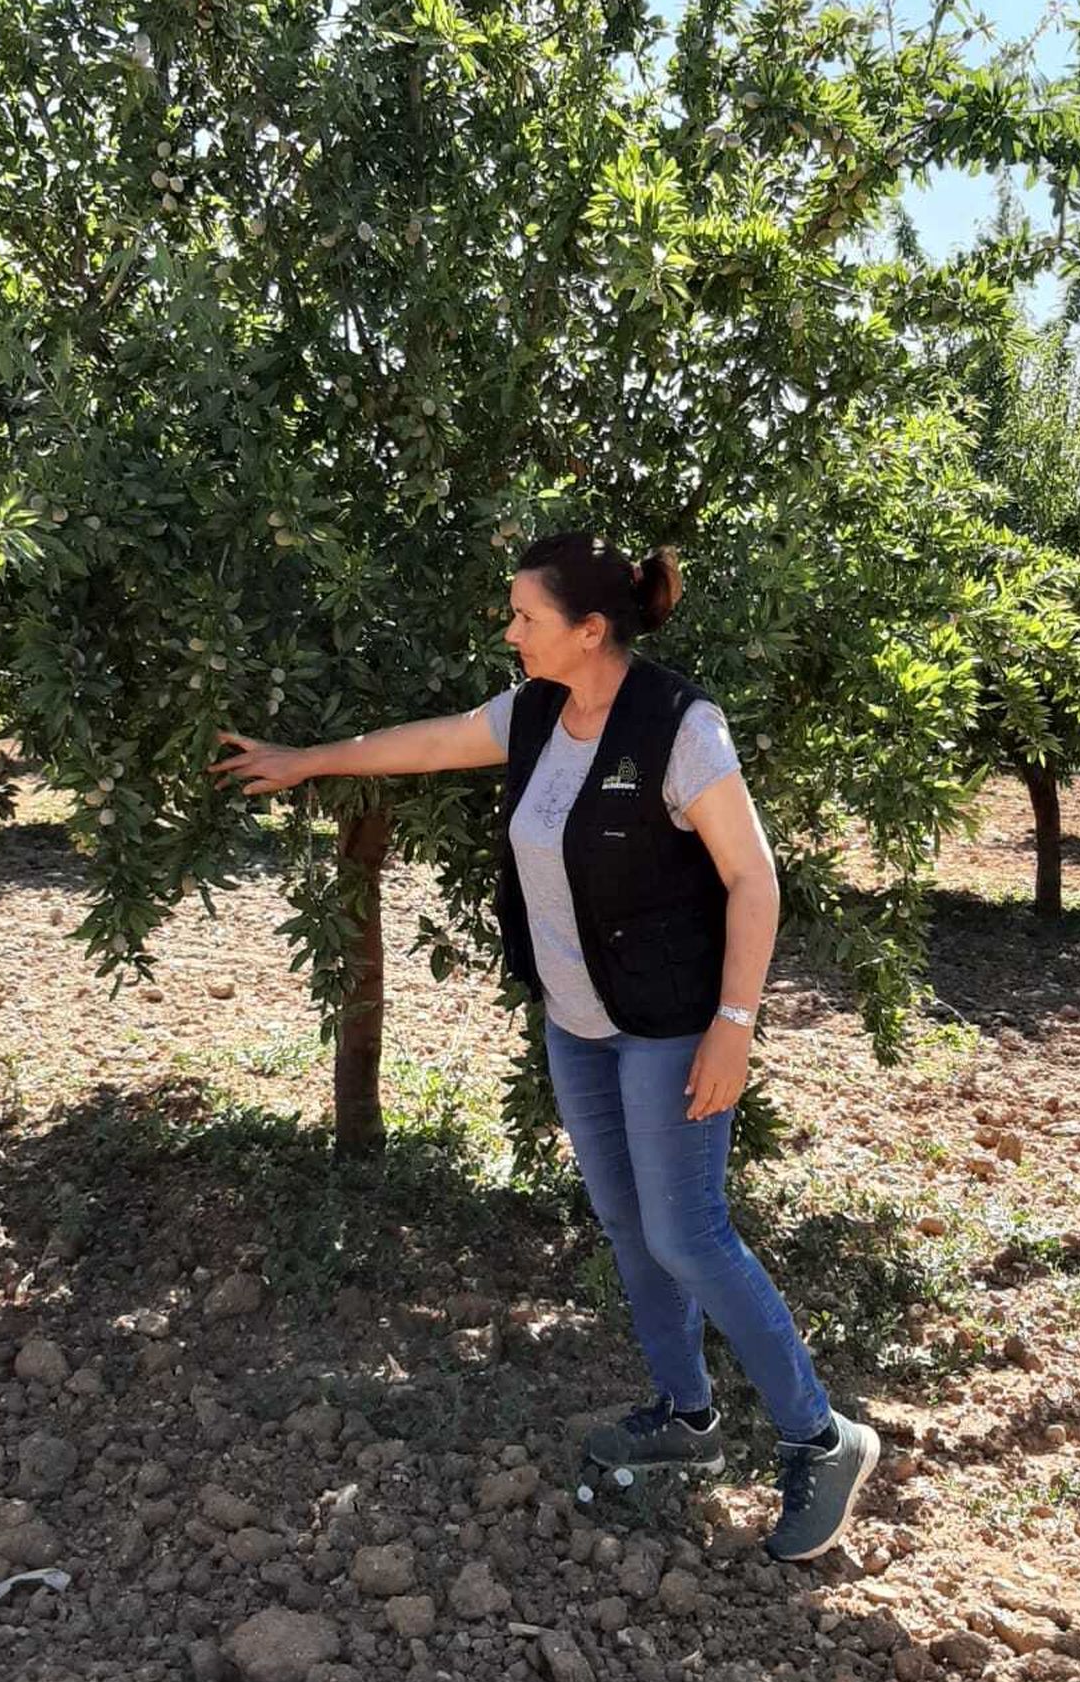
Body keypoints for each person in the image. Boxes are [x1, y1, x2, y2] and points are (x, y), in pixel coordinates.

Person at [207, 530, 880, 1561]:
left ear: (590, 629)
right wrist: (307, 762)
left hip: (670, 1026)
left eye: (526, 616)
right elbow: (429, 743)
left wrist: (734, 1027)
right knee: (627, 1224)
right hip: (580, 1026)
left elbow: (753, 877)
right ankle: (687, 1416)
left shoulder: (679, 725)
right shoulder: (534, 712)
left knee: (689, 1234)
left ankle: (820, 1437)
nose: (510, 631)